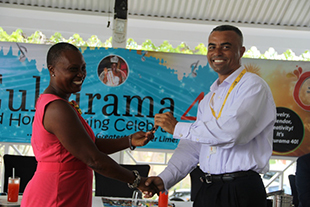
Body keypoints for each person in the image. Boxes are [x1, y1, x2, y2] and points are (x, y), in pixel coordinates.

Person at [144, 25, 276, 207]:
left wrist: (177, 128)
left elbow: (232, 132)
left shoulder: (253, 86)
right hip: (207, 189)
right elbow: (193, 147)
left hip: (240, 190)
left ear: (241, 51)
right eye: (212, 47)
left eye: (226, 46)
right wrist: (164, 179)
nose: (217, 52)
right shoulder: (209, 99)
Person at [21, 42, 156, 207]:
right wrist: (137, 181)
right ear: (52, 70)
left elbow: (88, 145)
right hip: (56, 194)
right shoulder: (57, 107)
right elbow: (94, 159)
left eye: (83, 68)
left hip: (66, 190)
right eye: (73, 69)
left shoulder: (61, 103)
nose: (80, 74)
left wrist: (128, 140)